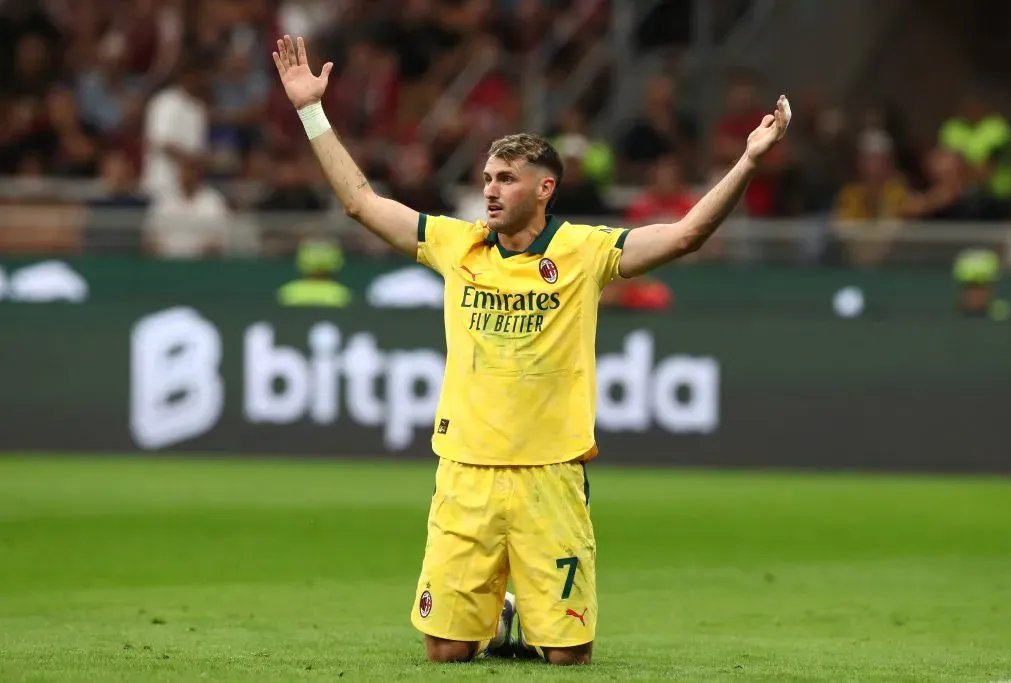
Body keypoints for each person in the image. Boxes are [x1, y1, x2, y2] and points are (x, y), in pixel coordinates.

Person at [272, 35, 791, 666]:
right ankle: (499, 616)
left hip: (550, 473)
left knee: (568, 658)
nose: (490, 191)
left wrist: (748, 161)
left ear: (544, 189)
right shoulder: (454, 245)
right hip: (466, 468)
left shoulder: (585, 252)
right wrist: (311, 112)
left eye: (506, 180)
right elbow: (359, 202)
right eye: (487, 178)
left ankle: (522, 616)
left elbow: (685, 236)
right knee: (446, 650)